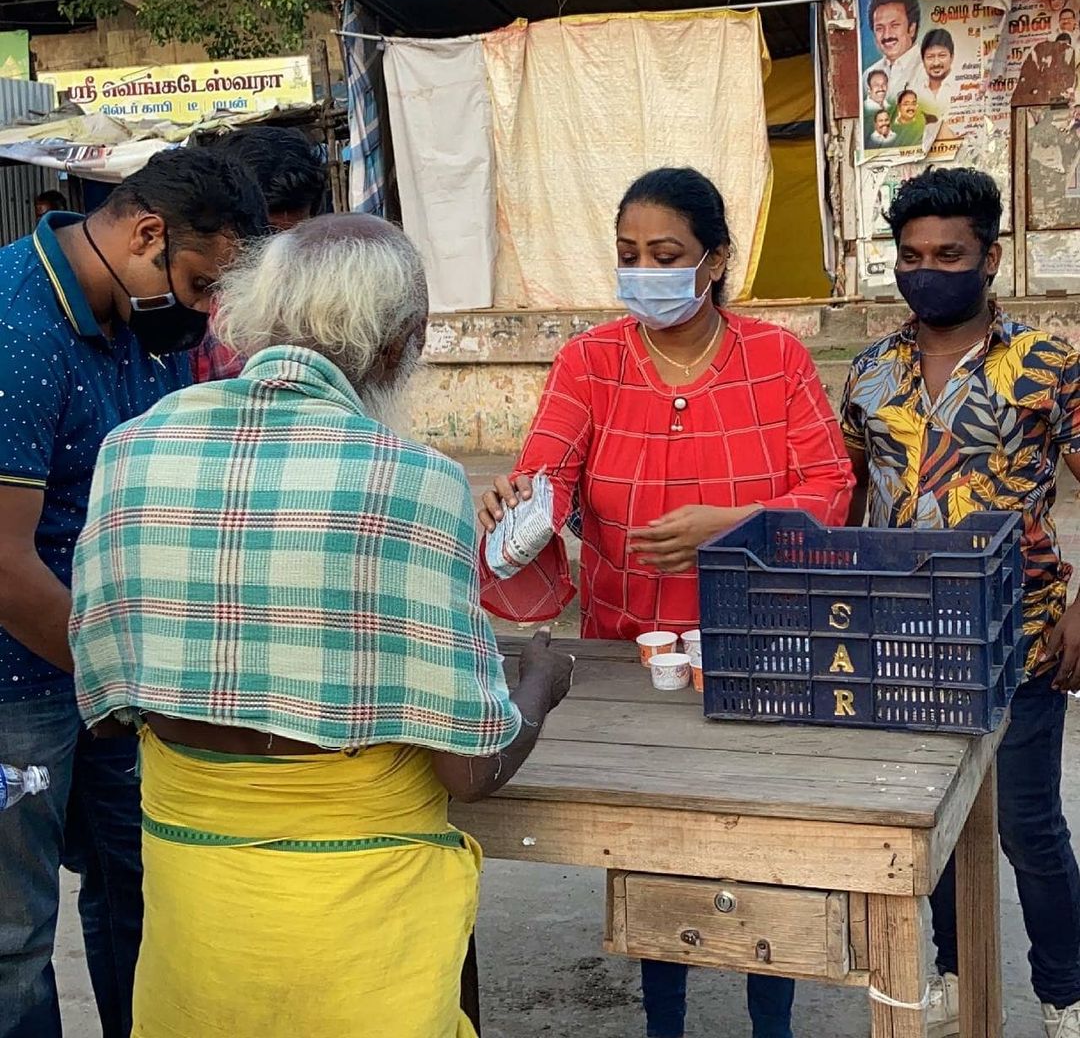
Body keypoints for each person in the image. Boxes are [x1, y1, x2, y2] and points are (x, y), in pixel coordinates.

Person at [69, 212, 574, 1038]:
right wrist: (539, 689)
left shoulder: (132, 449)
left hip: (195, 917)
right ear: (398, 347)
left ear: (256, 312)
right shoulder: (411, 482)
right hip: (358, 938)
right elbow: (470, 771)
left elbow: (107, 693)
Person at [478, 167, 853, 1038]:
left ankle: (773, 1020)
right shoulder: (590, 361)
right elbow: (550, 475)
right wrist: (519, 505)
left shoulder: (777, 359)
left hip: (757, 645)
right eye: (629, 256)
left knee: (763, 845)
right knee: (653, 850)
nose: (646, 270)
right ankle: (664, 1021)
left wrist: (734, 524)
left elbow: (831, 485)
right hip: (630, 655)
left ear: (715, 260)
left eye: (667, 254)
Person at [0, 148, 266, 1038]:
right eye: (198, 285)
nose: (203, 314)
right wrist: (117, 678)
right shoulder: (16, 324)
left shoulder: (141, 325)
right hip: (20, 685)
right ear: (146, 233)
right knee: (11, 942)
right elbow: (4, 565)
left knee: (143, 896)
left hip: (109, 675)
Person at [840, 167, 1080, 1038]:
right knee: (925, 826)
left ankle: (1065, 992)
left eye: (948, 253)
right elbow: (850, 498)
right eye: (910, 255)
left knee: (1026, 828)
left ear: (991, 257)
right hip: (905, 639)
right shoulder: (871, 372)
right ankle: (943, 974)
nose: (927, 269)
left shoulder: (1047, 365)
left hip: (1024, 635)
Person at [190, 125, 327, 383]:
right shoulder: (188, 310)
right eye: (259, 240)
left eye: (291, 238)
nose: (274, 258)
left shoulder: (327, 299)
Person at [863, 0, 923, 101]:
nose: (887, 35)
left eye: (894, 25)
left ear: (912, 28)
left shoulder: (928, 69)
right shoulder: (868, 75)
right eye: (879, 28)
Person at [912, 29, 959, 121]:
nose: (936, 63)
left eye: (942, 56)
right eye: (930, 57)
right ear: (923, 60)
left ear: (952, 57)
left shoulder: (962, 88)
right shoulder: (914, 92)